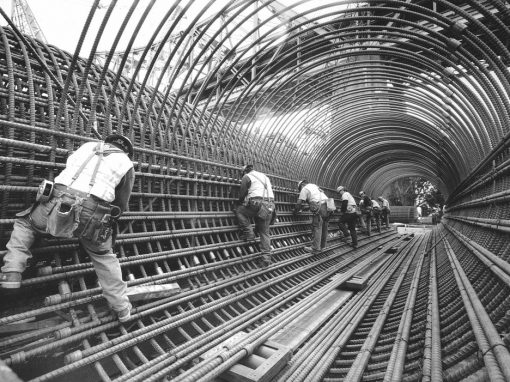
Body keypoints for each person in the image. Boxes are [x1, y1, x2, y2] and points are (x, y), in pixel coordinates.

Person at [0, 134, 135, 322]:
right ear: (127, 151)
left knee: (26, 223)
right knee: (103, 256)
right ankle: (122, 308)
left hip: (57, 199)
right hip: (93, 211)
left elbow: (70, 169)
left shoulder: (87, 146)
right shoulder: (126, 164)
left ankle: (11, 271)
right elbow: (121, 204)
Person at [235, 164, 275, 267]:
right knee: (264, 233)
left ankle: (249, 233)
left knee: (240, 211)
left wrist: (239, 202)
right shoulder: (265, 176)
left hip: (257, 204)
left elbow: (242, 193)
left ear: (244, 171)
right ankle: (266, 259)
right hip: (270, 205)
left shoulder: (247, 176)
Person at [293, 180, 329, 254]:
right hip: (329, 205)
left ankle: (315, 248)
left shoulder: (304, 189)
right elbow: (314, 200)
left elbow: (299, 203)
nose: (300, 190)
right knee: (324, 226)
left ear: (301, 185)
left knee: (317, 227)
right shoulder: (314, 186)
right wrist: (304, 208)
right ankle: (322, 246)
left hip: (320, 207)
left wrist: (295, 211)